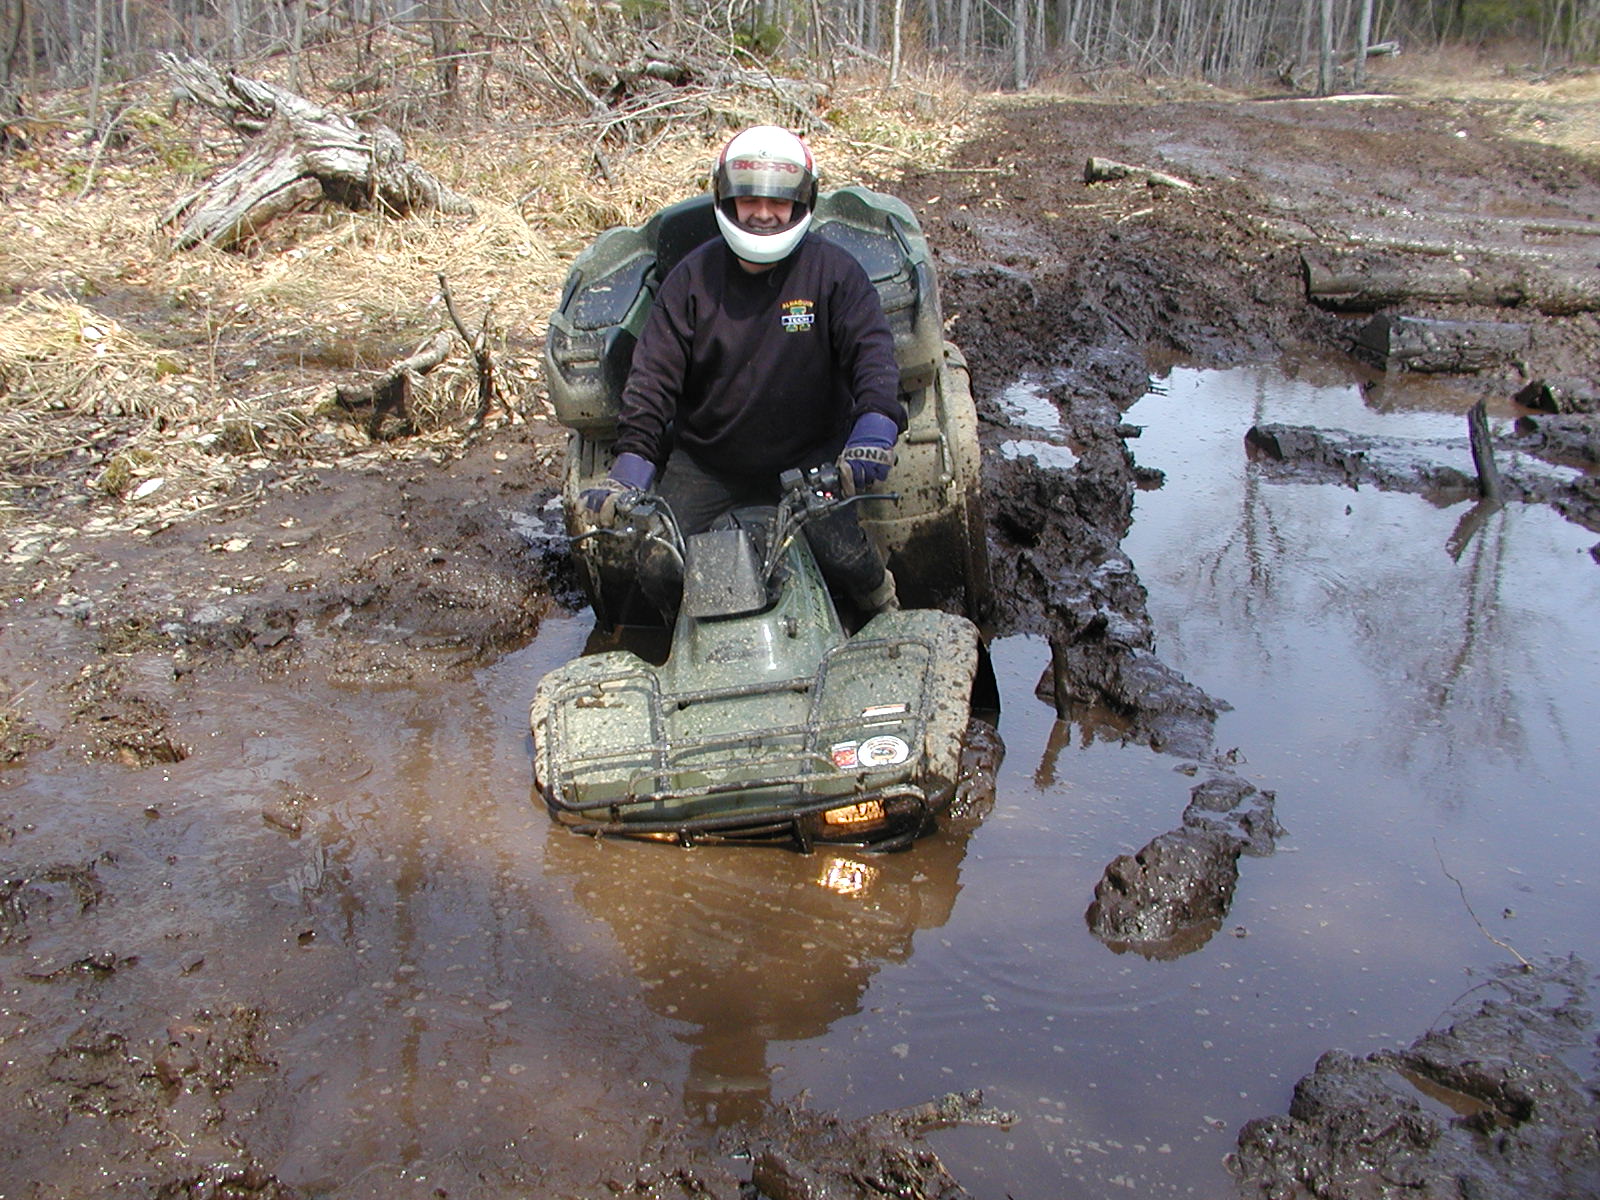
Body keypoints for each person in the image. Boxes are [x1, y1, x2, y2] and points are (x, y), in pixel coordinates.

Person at [580, 124, 903, 619]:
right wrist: (629, 473)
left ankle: (886, 610)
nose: (764, 213)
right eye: (750, 199)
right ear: (726, 200)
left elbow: (873, 355)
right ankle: (680, 636)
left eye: (779, 201)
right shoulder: (690, 281)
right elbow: (652, 383)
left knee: (846, 557)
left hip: (811, 456)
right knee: (658, 564)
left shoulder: (835, 272)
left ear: (802, 202)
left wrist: (874, 432)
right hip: (710, 463)